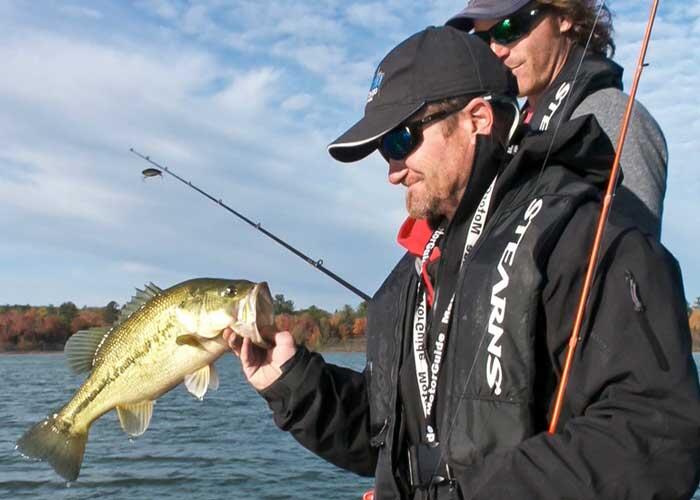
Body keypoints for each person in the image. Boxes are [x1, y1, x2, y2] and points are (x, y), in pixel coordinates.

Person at [224, 26, 700, 500]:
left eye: (400, 140)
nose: (392, 172)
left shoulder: (578, 235)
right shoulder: (408, 281)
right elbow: (388, 435)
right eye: (381, 152)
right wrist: (292, 384)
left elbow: (655, 436)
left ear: (476, 118)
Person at [446, 0, 668, 240]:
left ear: (564, 17)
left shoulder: (611, 115)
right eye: (483, 40)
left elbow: (632, 261)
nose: (497, 51)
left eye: (509, 28)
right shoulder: (518, 130)